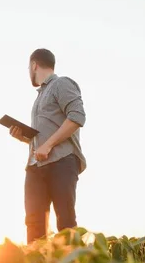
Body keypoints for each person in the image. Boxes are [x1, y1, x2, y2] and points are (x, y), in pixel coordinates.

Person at [9, 48, 87, 243]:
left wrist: (49, 145)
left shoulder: (61, 84)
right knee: (34, 224)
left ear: (34, 65)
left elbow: (77, 117)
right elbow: (43, 138)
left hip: (62, 162)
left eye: (29, 66)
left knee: (65, 223)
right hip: (35, 166)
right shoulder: (40, 96)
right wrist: (24, 137)